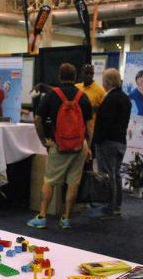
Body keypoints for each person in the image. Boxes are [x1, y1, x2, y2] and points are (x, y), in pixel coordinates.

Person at [27, 63, 92, 230]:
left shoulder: (51, 96)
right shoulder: (83, 97)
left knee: (49, 181)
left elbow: (37, 120)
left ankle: (42, 216)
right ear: (75, 77)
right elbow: (90, 126)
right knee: (73, 183)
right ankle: (66, 218)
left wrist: (43, 140)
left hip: (59, 145)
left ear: (59, 77)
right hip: (79, 146)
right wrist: (88, 147)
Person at [92, 68, 131, 217]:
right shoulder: (125, 98)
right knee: (116, 174)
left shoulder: (110, 99)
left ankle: (110, 206)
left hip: (108, 142)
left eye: (103, 80)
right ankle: (117, 205)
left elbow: (106, 123)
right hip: (121, 141)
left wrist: (97, 140)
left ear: (107, 82)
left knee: (108, 175)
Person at [76, 64, 106, 137]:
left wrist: (97, 109)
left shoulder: (100, 90)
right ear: (82, 74)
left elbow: (105, 110)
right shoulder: (76, 87)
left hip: (91, 130)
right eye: (86, 73)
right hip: (76, 128)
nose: (89, 75)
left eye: (91, 73)